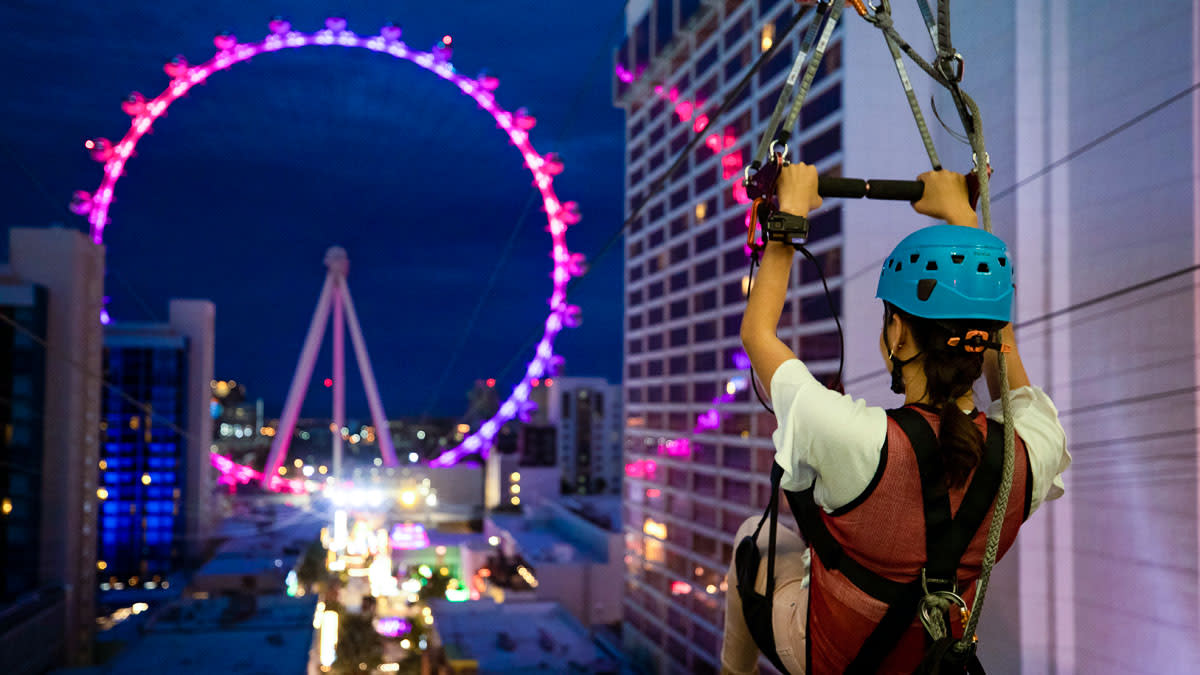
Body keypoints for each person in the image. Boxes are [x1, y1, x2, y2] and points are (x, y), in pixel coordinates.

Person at [721, 163, 1071, 673]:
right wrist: (962, 219)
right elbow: (1004, 355)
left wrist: (788, 214)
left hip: (831, 654)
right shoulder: (1031, 451)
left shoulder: (854, 438)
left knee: (755, 539)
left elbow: (757, 335)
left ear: (899, 336)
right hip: (927, 663)